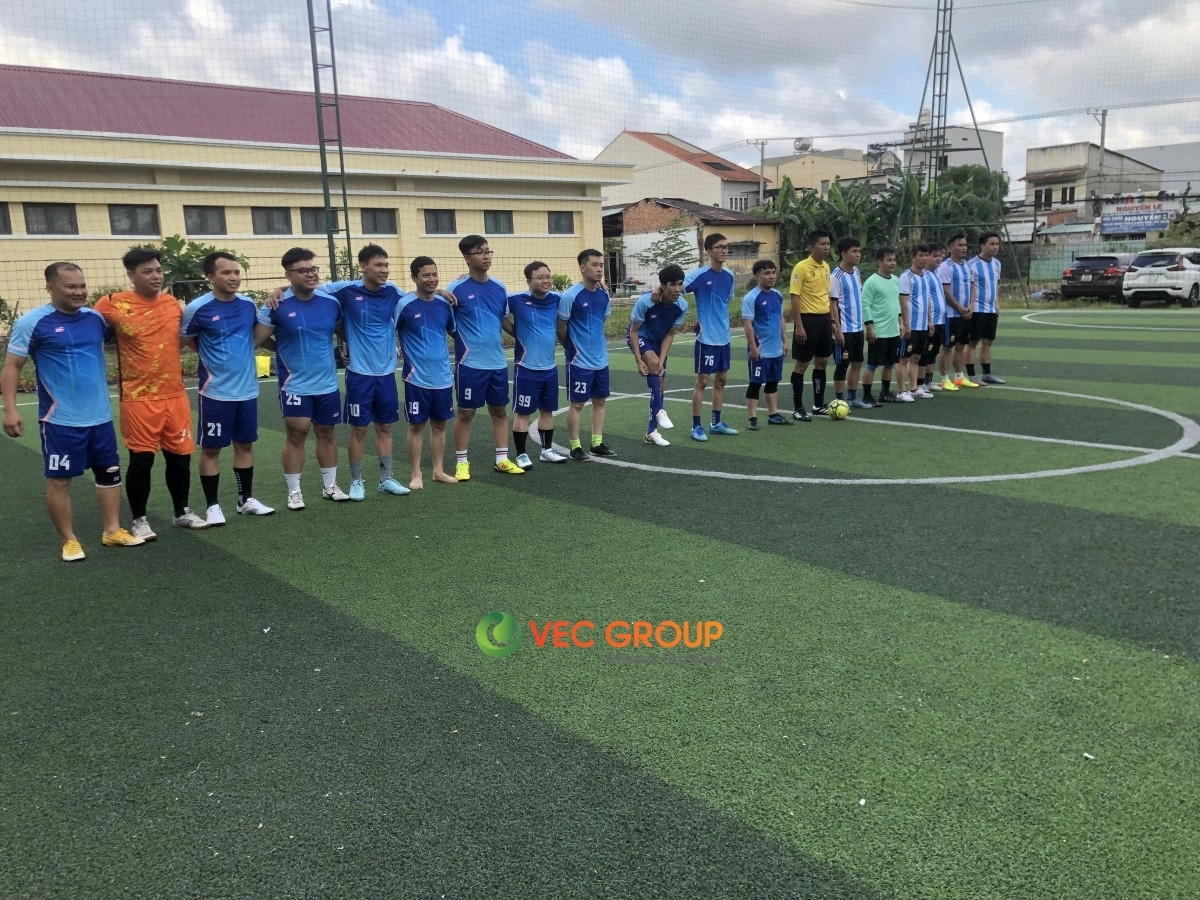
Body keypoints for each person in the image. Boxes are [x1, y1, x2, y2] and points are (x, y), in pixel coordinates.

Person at [2, 262, 144, 558]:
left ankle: (112, 531)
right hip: (60, 420)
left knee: (110, 474)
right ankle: (69, 540)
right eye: (71, 286)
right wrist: (10, 410)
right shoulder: (32, 322)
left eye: (82, 286)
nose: (79, 292)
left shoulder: (95, 319)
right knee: (60, 480)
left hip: (100, 417)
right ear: (50, 288)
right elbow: (13, 366)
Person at [93, 247, 208, 538]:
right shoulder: (111, 304)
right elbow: (84, 329)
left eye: (158, 270)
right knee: (142, 460)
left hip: (175, 395)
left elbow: (190, 338)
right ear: (131, 275)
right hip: (138, 398)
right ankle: (139, 520)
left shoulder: (172, 304)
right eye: (148, 272)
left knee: (180, 458)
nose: (156, 276)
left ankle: (181, 512)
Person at [181, 253, 274, 524]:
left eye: (236, 272)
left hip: (247, 390)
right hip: (215, 392)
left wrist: (283, 346)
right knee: (212, 449)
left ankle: (245, 500)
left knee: (245, 445)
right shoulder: (197, 308)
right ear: (210, 277)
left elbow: (256, 335)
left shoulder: (247, 305)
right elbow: (179, 341)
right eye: (226, 273)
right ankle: (212, 506)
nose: (234, 277)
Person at [254, 247, 347, 510]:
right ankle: (294, 492)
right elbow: (257, 338)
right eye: (303, 271)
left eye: (313, 269)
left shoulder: (331, 302)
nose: (310, 274)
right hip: (294, 383)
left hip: (327, 383)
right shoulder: (277, 304)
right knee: (297, 434)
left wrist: (347, 347)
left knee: (326, 433)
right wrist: (279, 347)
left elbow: (342, 330)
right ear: (289, 275)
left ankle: (330, 486)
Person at [448, 235, 524, 478]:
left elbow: (503, 319)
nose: (486, 256)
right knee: (466, 412)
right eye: (480, 252)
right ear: (467, 258)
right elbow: (437, 311)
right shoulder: (455, 289)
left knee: (499, 411)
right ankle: (462, 463)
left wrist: (524, 336)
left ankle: (502, 459)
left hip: (497, 362)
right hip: (470, 363)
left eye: (488, 251)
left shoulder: (500, 287)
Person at [396, 257, 459, 488]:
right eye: (426, 275)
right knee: (417, 425)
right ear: (414, 277)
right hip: (416, 378)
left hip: (442, 377)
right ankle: (416, 474)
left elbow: (452, 331)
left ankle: (438, 471)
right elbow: (388, 332)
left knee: (440, 424)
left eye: (434, 274)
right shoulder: (404, 304)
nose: (432, 279)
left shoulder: (444, 304)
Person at [507, 260, 569, 467]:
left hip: (549, 368)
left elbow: (578, 295)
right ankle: (521, 455)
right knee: (523, 413)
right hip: (526, 368)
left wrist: (600, 285)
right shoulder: (516, 300)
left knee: (547, 411)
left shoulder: (557, 299)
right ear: (529, 281)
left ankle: (546, 450)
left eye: (548, 277)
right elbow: (496, 311)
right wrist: (516, 332)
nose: (546, 281)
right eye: (540, 277)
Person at [558, 249, 615, 459]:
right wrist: (571, 349)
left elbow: (602, 321)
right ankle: (575, 447)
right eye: (594, 265)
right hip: (579, 361)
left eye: (601, 265)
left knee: (600, 401)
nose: (599, 269)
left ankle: (597, 443)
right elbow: (561, 326)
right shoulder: (570, 295)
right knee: (577, 404)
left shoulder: (604, 294)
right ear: (582, 268)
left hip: (601, 360)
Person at [628, 264, 689, 446]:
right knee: (653, 363)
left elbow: (670, 334)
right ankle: (660, 411)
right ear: (663, 285)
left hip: (659, 341)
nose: (677, 289)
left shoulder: (682, 306)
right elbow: (633, 331)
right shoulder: (645, 302)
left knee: (659, 383)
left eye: (680, 284)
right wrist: (638, 360)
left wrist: (662, 360)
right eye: (673, 284)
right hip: (640, 336)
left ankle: (651, 432)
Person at [685, 233, 737, 441]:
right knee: (703, 381)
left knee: (721, 380)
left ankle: (716, 423)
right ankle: (696, 426)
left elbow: (725, 301)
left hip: (724, 337)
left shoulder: (730, 276)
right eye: (719, 247)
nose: (724, 250)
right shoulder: (699, 276)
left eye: (726, 246)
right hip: (706, 338)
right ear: (708, 251)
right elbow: (676, 291)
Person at [788, 230, 834, 421]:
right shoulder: (801, 267)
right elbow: (794, 297)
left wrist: (832, 321)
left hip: (824, 320)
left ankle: (818, 405)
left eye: (828, 244)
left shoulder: (826, 267)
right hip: (807, 320)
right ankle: (798, 407)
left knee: (822, 362)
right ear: (811, 247)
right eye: (822, 244)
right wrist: (799, 325)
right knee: (802, 364)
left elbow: (826, 296)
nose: (826, 247)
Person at [740, 259, 790, 430]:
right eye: (767, 273)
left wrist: (785, 341)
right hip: (761, 350)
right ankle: (752, 418)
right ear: (757, 275)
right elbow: (747, 325)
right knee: (755, 383)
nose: (771, 276)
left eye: (773, 272)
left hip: (776, 349)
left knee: (773, 382)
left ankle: (773, 415)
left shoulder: (777, 295)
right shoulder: (751, 298)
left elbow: (781, 318)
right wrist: (753, 348)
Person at [861, 248, 907, 403]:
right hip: (878, 331)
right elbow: (865, 305)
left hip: (893, 331)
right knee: (872, 364)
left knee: (889, 364)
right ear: (879, 262)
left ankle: (885, 393)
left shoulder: (895, 280)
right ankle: (867, 395)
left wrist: (901, 323)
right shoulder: (871, 282)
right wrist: (869, 328)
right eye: (889, 260)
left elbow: (896, 303)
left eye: (894, 260)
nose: (893, 263)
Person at [829, 237, 870, 409]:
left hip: (857, 328)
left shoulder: (857, 272)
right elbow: (832, 304)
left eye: (859, 251)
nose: (858, 254)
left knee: (857, 362)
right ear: (843, 254)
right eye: (854, 251)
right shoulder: (835, 276)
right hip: (844, 329)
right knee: (842, 365)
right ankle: (839, 401)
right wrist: (836, 329)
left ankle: (852, 398)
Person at [937, 233, 980, 389]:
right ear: (950, 248)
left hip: (965, 313)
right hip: (951, 314)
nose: (964, 248)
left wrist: (971, 306)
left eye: (965, 245)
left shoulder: (968, 266)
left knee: (961, 345)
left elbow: (973, 286)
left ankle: (959, 377)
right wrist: (959, 308)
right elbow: (945, 291)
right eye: (960, 245)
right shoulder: (945, 266)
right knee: (947, 346)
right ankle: (944, 379)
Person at [967, 232, 1006, 384]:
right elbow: (969, 287)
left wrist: (997, 304)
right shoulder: (972, 265)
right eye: (992, 244)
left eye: (997, 244)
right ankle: (971, 376)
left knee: (988, 341)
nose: (995, 247)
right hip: (977, 309)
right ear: (982, 245)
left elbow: (994, 286)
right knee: (972, 342)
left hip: (991, 309)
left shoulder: (997, 264)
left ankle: (987, 374)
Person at [897, 244, 935, 402]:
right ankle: (901, 391)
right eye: (921, 255)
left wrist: (930, 321)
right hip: (911, 325)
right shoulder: (906, 277)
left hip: (922, 325)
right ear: (913, 257)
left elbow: (927, 299)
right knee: (903, 359)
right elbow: (903, 302)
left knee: (916, 358)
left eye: (926, 255)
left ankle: (913, 389)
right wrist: (905, 324)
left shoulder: (926, 276)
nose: (924, 258)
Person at [922, 244, 950, 392]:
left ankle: (928, 382)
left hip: (940, 320)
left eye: (940, 255)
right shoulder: (924, 275)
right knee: (925, 353)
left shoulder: (936, 273)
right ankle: (920, 383)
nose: (939, 258)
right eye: (935, 256)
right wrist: (929, 320)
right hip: (931, 321)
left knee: (933, 353)